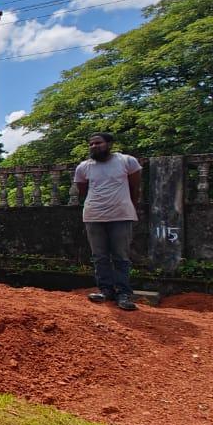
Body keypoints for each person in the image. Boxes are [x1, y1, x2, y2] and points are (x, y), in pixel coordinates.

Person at [75, 132, 142, 311]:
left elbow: (135, 187)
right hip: (94, 215)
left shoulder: (127, 161)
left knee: (121, 256)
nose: (94, 146)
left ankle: (123, 293)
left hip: (121, 214)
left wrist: (130, 207)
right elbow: (82, 190)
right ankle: (105, 290)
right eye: (91, 144)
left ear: (109, 144)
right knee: (99, 256)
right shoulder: (83, 167)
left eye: (98, 143)